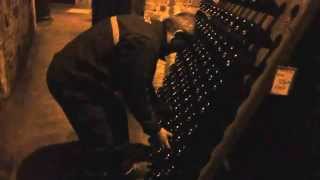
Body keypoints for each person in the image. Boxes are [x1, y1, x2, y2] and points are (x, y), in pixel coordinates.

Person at [46, 12, 195, 178]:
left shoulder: (151, 28)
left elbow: (141, 81)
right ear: (178, 35)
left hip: (88, 75)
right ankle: (96, 171)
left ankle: (119, 163)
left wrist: (160, 109)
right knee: (100, 140)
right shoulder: (146, 44)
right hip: (71, 80)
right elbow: (135, 92)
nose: (179, 52)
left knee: (116, 114)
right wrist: (155, 129)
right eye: (183, 46)